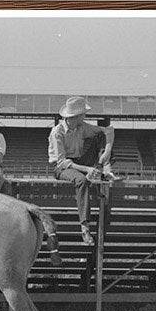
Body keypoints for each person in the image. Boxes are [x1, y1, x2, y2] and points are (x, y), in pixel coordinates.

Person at [47, 96, 114, 246]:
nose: (84, 116)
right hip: (62, 167)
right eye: (82, 114)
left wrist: (107, 151)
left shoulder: (82, 127)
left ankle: (106, 168)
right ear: (75, 116)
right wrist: (87, 169)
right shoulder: (57, 132)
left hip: (81, 161)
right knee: (81, 180)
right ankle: (85, 226)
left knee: (100, 135)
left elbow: (109, 131)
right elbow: (62, 161)